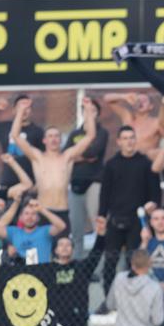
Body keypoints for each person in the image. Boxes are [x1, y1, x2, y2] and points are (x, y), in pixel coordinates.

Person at [10, 97, 98, 238]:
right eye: (50, 136)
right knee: (41, 254)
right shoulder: (37, 157)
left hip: (62, 211)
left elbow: (90, 136)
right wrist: (20, 111)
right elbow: (15, 135)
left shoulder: (67, 157)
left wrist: (88, 109)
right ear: (44, 140)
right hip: (42, 210)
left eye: (57, 136)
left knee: (62, 252)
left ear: (60, 139)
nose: (53, 139)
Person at [98, 125, 162, 295]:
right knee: (110, 261)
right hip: (115, 220)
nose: (129, 142)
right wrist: (101, 216)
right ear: (119, 142)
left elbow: (156, 194)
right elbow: (104, 194)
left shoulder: (145, 164)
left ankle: (133, 298)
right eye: (125, 138)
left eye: (132, 138)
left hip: (138, 223)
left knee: (134, 261)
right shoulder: (111, 165)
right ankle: (109, 300)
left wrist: (153, 204)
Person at [46, 217, 107, 326]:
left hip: (78, 325)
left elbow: (96, 255)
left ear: (73, 249)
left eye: (68, 245)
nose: (65, 247)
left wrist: (101, 235)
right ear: (55, 250)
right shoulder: (47, 271)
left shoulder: (81, 268)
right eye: (61, 245)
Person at [106, 248, 164, 326]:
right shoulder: (154, 287)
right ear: (149, 264)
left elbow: (110, 305)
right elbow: (158, 320)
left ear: (132, 264)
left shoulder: (119, 279)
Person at [64, 100, 110, 258]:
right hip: (75, 184)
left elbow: (93, 153)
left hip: (94, 183)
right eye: (86, 110)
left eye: (93, 111)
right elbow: (66, 155)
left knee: (99, 227)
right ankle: (77, 264)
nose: (89, 114)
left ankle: (99, 266)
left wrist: (76, 155)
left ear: (97, 114)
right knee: (76, 230)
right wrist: (80, 156)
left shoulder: (101, 132)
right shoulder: (74, 134)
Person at [0, 94, 45, 186]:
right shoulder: (5, 127)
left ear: (31, 111)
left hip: (30, 181)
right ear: (14, 110)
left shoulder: (38, 131)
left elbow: (43, 158)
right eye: (20, 107)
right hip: (8, 180)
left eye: (27, 107)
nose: (23, 110)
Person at [0, 198, 66, 264]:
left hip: (42, 272)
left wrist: (42, 209)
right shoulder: (14, 232)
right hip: (20, 273)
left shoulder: (45, 231)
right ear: (20, 218)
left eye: (33, 214)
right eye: (26, 214)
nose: (30, 217)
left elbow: (61, 226)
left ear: (38, 218)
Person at [103, 92, 162, 156]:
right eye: (138, 100)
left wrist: (158, 153)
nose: (140, 102)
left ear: (151, 106)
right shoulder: (127, 117)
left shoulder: (156, 122)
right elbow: (107, 98)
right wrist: (124, 96)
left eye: (144, 101)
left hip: (147, 162)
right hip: (127, 161)